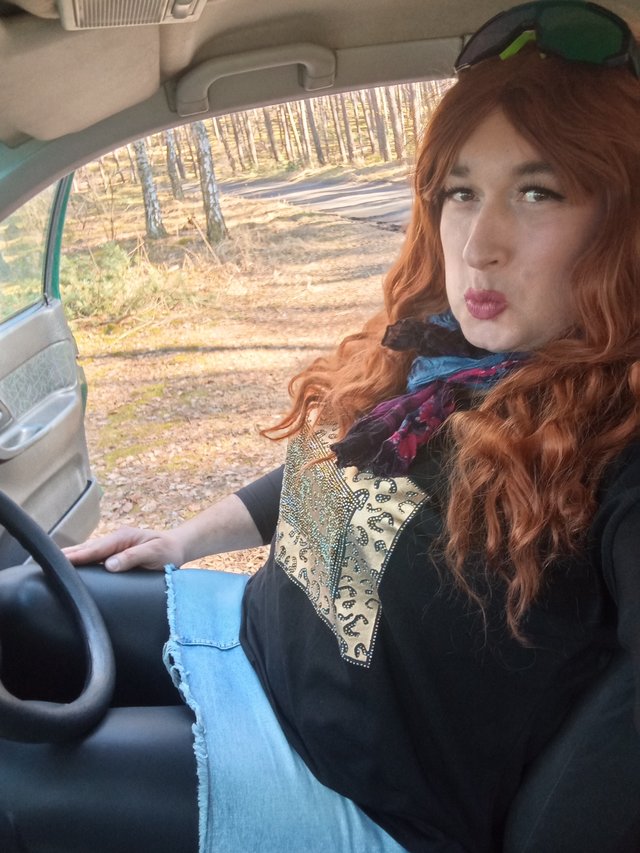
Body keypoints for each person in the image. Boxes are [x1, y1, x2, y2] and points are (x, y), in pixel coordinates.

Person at [2, 2, 640, 851]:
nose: (478, 245)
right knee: (17, 607)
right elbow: (342, 466)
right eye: (461, 192)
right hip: (251, 635)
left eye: (537, 192)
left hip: (347, 787)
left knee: (13, 787)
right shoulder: (441, 361)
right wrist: (183, 539)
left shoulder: (616, 435)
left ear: (621, 222)